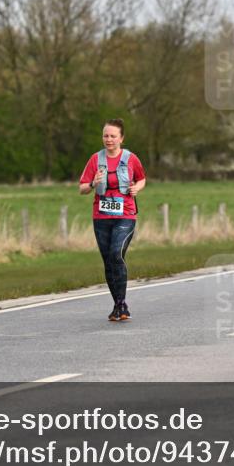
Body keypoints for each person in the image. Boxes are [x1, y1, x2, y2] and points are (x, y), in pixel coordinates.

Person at [79, 119, 146, 322]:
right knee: (108, 260)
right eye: (105, 136)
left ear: (121, 138)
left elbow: (142, 178)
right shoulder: (95, 159)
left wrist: (136, 188)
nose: (108, 139)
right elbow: (82, 188)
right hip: (101, 217)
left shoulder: (131, 158)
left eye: (113, 136)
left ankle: (122, 303)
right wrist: (93, 183)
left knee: (117, 253)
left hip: (125, 214)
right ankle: (118, 305)